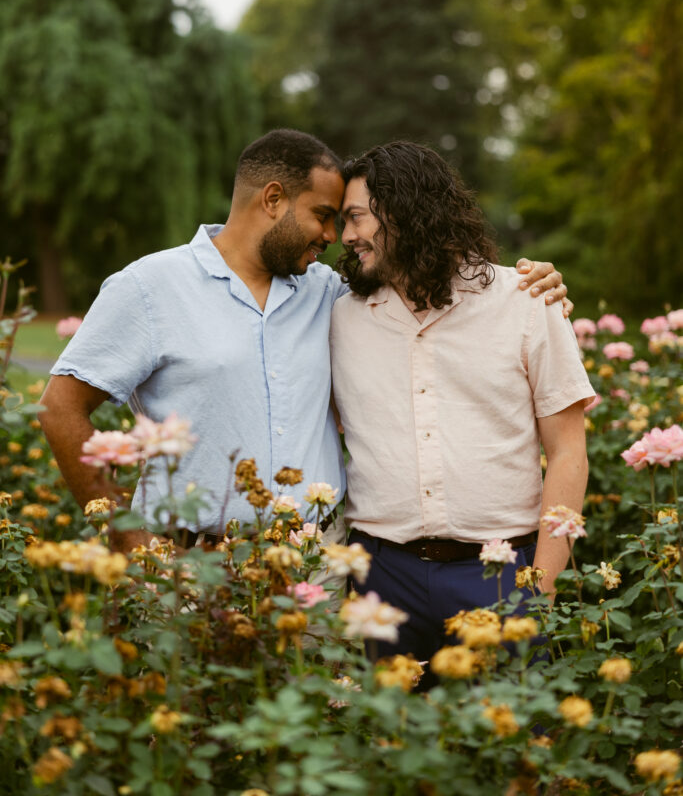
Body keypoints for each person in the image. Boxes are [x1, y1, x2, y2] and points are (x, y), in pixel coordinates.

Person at [39, 129, 567, 552]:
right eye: (322, 215)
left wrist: (536, 286)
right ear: (273, 199)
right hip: (190, 562)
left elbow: (426, 273)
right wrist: (127, 536)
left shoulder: (330, 293)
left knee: (323, 690)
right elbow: (60, 410)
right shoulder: (149, 288)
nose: (333, 236)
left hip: (314, 563)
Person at [329, 141, 594, 672]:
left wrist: (539, 589)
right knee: (390, 748)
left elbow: (568, 451)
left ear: (404, 210)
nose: (347, 236)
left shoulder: (525, 301)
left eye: (356, 218)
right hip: (382, 578)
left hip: (499, 576)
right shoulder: (340, 317)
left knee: (513, 746)